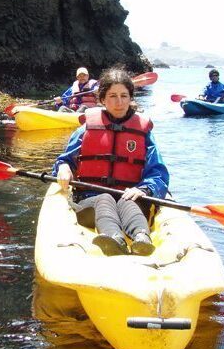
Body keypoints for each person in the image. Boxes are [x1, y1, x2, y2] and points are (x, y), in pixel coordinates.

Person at [53, 67, 169, 256]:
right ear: (103, 99)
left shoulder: (143, 132)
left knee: (128, 199)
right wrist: (64, 167)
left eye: (124, 95)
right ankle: (113, 238)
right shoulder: (86, 129)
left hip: (129, 195)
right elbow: (65, 160)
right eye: (113, 96)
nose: (119, 102)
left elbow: (158, 172)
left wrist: (144, 189)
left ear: (131, 98)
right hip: (90, 198)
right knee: (105, 199)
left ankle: (141, 238)